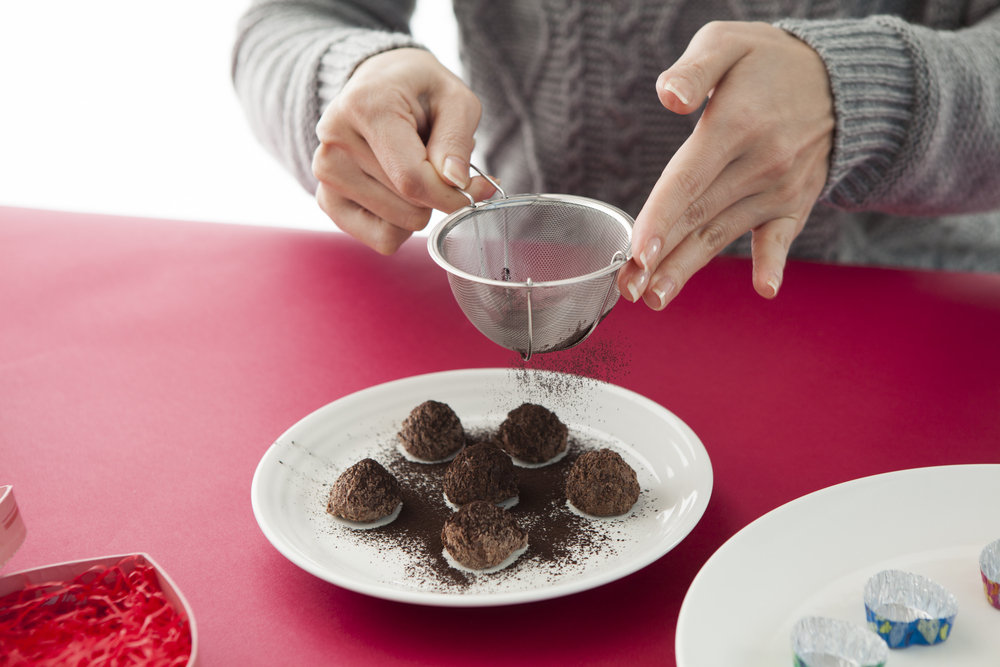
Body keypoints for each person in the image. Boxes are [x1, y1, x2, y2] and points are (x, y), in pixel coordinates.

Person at [231, 1, 1000, 310]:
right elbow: (292, 20)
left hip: (912, 319)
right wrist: (350, 78)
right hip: (527, 293)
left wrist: (872, 98)